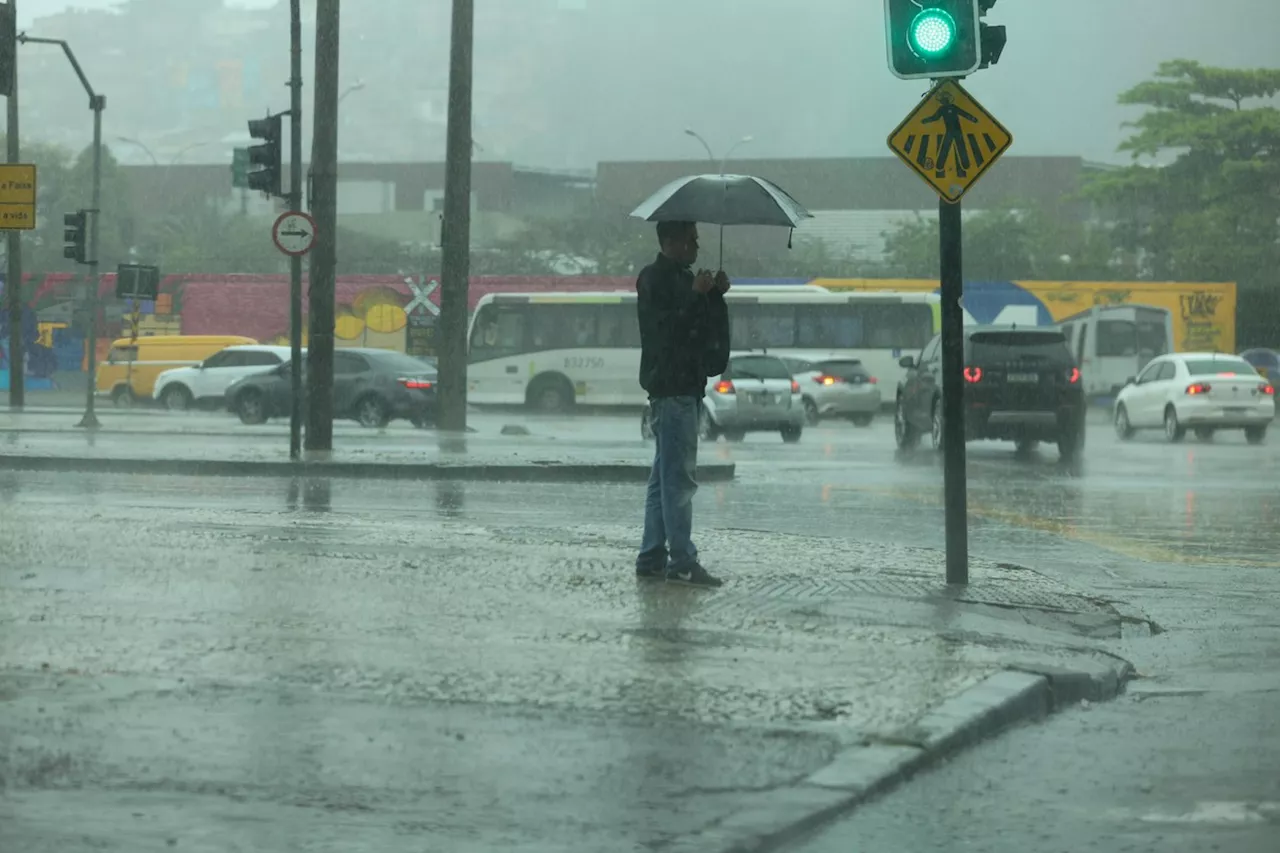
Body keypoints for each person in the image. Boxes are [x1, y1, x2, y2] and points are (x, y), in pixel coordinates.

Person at [635, 220, 730, 588]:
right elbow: (668, 332)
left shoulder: (683, 279)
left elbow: (701, 331)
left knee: (663, 479)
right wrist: (695, 294)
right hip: (672, 389)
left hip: (684, 387)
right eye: (691, 239)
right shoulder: (654, 279)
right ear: (671, 241)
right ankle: (683, 561)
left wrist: (714, 295)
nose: (696, 246)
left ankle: (652, 555)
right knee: (678, 480)